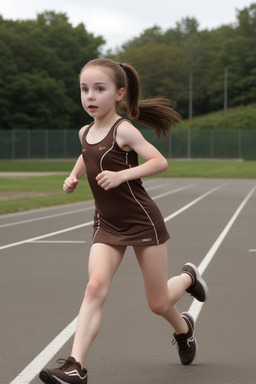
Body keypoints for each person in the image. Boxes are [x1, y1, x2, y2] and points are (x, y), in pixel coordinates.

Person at [39, 58, 208, 384]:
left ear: (118, 93)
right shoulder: (85, 131)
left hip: (142, 221)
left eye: (98, 89)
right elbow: (85, 154)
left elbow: (160, 162)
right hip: (107, 223)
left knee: (158, 303)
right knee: (95, 287)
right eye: (84, 89)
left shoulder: (124, 130)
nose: (90, 96)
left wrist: (122, 175)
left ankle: (188, 281)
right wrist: (73, 176)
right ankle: (76, 365)